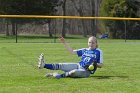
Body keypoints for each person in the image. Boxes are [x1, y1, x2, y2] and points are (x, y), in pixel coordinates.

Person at [38, 36, 103, 79]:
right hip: (78, 65)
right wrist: (64, 43)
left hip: (86, 71)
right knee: (62, 65)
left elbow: (101, 65)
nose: (91, 44)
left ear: (96, 43)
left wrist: (95, 64)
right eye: (89, 42)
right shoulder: (85, 50)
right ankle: (43, 65)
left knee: (73, 72)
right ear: (88, 43)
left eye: (93, 42)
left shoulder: (98, 51)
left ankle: (58, 75)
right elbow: (71, 52)